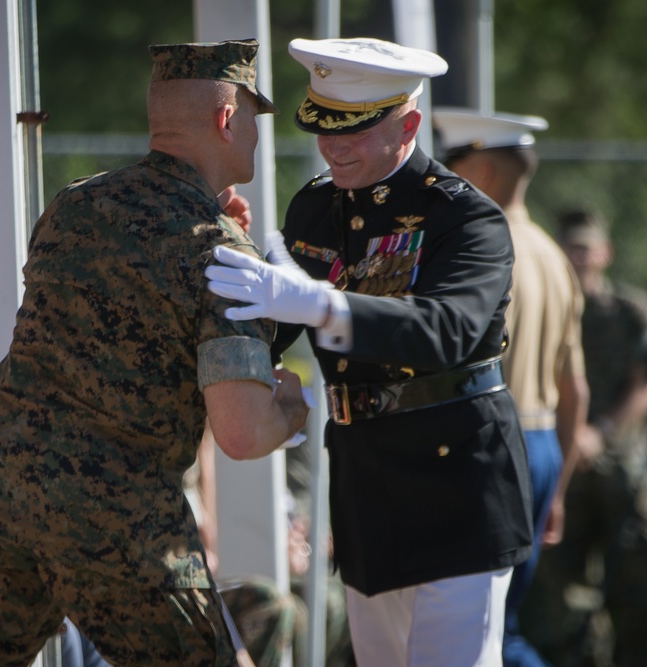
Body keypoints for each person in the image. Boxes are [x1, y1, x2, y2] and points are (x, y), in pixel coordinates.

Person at [0, 38, 310, 666]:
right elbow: (242, 433)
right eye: (252, 117)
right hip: (116, 517)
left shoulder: (74, 205)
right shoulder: (222, 254)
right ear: (225, 119)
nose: (255, 133)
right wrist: (291, 407)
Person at [206, 37, 534, 665]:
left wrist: (324, 305)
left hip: (456, 484)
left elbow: (448, 328)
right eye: (324, 128)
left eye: (353, 132)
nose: (332, 147)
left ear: (408, 124)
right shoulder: (316, 208)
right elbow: (275, 324)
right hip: (366, 482)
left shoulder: (464, 219)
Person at [433, 108, 590, 666]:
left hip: (490, 442)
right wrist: (561, 487)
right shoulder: (554, 256)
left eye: (455, 168)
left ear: (484, 174)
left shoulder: (482, 252)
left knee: (477, 627)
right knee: (501, 618)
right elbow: (575, 388)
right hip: (543, 445)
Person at [523, 210, 647, 666]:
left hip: (626, 474)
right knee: (568, 607)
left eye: (588, 247)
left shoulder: (631, 312)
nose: (580, 257)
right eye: (572, 247)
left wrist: (600, 433)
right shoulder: (548, 310)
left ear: (605, 254)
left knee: (643, 589)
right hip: (568, 478)